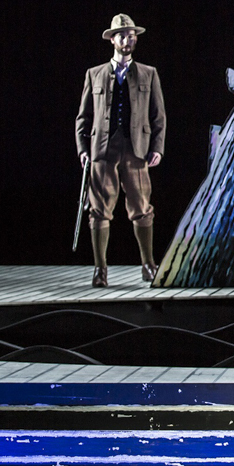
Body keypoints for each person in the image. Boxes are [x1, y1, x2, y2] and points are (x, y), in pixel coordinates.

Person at [75, 14, 166, 287]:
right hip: (103, 149)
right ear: (112, 40)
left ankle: (148, 265)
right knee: (99, 210)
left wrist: (157, 147)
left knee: (141, 207)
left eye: (132, 35)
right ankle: (100, 270)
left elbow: (158, 115)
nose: (129, 39)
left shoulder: (148, 73)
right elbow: (84, 117)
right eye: (123, 35)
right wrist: (83, 148)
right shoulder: (95, 74)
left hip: (136, 149)